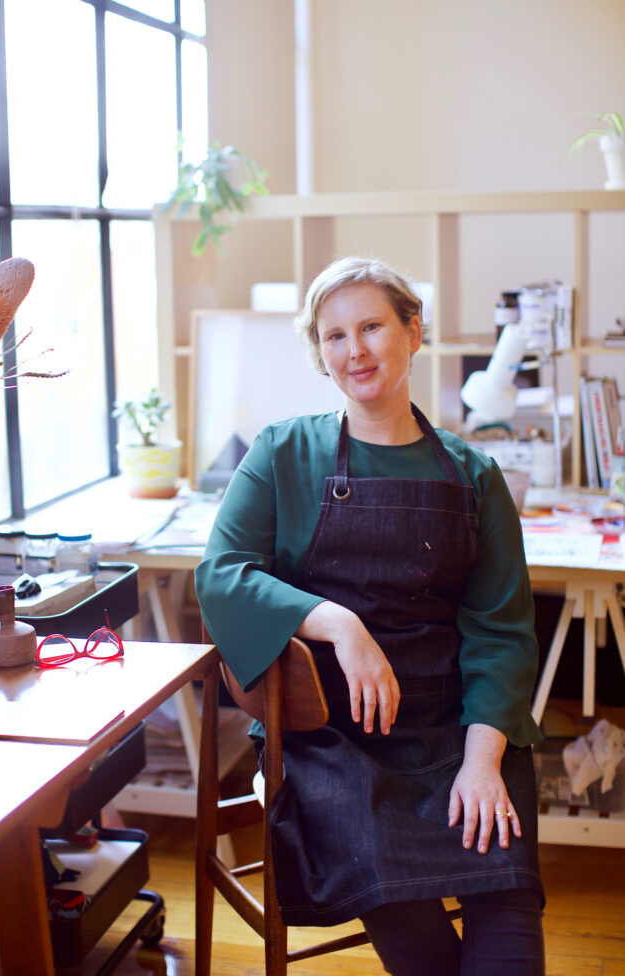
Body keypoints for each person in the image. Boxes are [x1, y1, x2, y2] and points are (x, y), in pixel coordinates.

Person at [195, 257, 545, 976]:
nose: (354, 350)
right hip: (333, 745)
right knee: (394, 894)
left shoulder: (475, 476)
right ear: (319, 353)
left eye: (371, 327)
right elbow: (222, 577)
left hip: (461, 726)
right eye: (334, 336)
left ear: (413, 331)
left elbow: (502, 632)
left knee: (504, 893)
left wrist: (482, 763)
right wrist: (337, 623)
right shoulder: (282, 454)